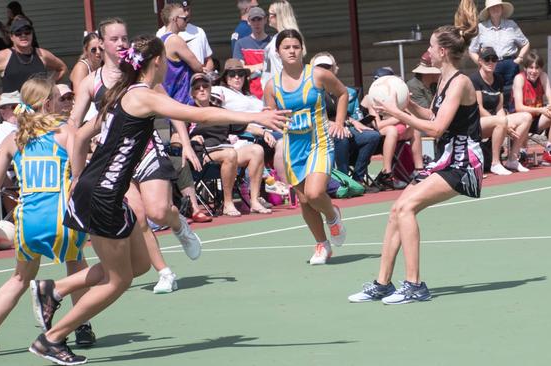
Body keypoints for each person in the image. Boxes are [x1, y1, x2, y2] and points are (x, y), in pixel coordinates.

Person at [27, 34, 287, 365]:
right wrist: (255, 118)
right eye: (169, 60)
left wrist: (80, 178)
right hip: (104, 194)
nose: (170, 66)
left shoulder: (119, 95)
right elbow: (200, 115)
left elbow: (79, 137)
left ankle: (54, 290)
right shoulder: (141, 97)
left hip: (102, 190)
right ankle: (51, 339)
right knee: (118, 281)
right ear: (157, 62)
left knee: (138, 266)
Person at [0, 76, 96, 359]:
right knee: (76, 265)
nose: (63, 103)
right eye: (58, 99)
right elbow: (79, 180)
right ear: (48, 103)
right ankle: (81, 326)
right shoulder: (67, 133)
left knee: (19, 279)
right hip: (62, 218)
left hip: (28, 222)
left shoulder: (14, 139)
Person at [348, 0, 483, 305]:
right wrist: (409, 104)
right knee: (396, 210)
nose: (428, 51)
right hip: (448, 158)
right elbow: (433, 116)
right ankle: (382, 284)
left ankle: (414, 285)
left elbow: (434, 130)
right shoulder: (444, 81)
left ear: (444, 51)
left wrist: (397, 111)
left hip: (464, 163)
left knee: (407, 209)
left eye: (432, 46)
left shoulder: (461, 82)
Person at [69, 18, 202, 295]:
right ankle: (164, 272)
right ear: (101, 43)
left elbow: (173, 108)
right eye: (114, 39)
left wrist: (185, 143)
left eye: (124, 38)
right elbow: (74, 125)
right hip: (116, 161)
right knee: (139, 216)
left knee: (158, 211)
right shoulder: (91, 82)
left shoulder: (141, 74)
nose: (121, 43)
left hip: (147, 150)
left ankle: (179, 224)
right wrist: (75, 165)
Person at [263, 29, 347, 265]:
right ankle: (322, 245)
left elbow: (342, 94)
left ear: (302, 49)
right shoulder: (272, 86)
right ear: (278, 52)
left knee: (314, 193)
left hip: (319, 142)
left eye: (295, 47)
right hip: (293, 147)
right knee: (304, 200)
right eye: (286, 47)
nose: (291, 51)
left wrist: (339, 122)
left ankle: (332, 216)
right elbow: (270, 114)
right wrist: (267, 124)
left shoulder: (318, 75)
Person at [190, 72, 272, 216]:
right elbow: (176, 137)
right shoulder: (187, 112)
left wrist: (263, 132)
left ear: (210, 89)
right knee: (230, 153)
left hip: (227, 152)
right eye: (197, 88)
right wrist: (190, 140)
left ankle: (254, 201)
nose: (202, 89)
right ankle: (228, 203)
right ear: (192, 93)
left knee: (257, 150)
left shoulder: (221, 112)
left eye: (205, 86)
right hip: (202, 156)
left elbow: (244, 126)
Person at [311, 53, 380, 192]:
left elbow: (343, 113)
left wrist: (353, 121)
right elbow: (311, 115)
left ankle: (358, 179)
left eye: (327, 67)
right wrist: (337, 125)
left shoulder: (337, 88)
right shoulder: (312, 90)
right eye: (320, 67)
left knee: (373, 136)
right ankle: (344, 180)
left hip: (342, 125)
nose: (324, 70)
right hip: (320, 130)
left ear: (334, 69)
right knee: (340, 136)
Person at [470, 47, 532, 174]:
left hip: (496, 121)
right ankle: (495, 163)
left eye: (494, 59)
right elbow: (479, 107)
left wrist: (505, 124)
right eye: (487, 59)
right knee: (502, 121)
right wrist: (503, 123)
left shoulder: (498, 79)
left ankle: (512, 159)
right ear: (480, 61)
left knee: (527, 117)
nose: (491, 62)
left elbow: (499, 107)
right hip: (477, 123)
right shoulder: (475, 79)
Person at [365, 67, 423, 190]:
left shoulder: (399, 95)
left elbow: (412, 117)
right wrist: (398, 117)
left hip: (398, 130)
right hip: (380, 133)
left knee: (415, 128)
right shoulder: (372, 98)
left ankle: (419, 169)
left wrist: (403, 112)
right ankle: (387, 172)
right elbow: (378, 125)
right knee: (391, 129)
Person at [0, 16, 67, 94]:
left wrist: (48, 85)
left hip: (40, 107)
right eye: (18, 33)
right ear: (11, 37)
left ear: (32, 34)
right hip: (14, 108)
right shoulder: (3, 56)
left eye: (27, 32)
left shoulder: (42, 54)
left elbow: (62, 68)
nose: (23, 35)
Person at [468, 0, 529, 107]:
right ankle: (497, 119)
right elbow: (472, 50)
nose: (495, 9)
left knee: (512, 94)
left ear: (502, 9)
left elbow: (525, 43)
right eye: (492, 7)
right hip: (491, 64)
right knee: (493, 95)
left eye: (498, 6)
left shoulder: (511, 25)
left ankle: (513, 118)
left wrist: (519, 58)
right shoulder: (481, 27)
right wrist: (481, 63)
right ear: (488, 11)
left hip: (510, 63)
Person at [511, 51, 551, 166]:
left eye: (537, 68)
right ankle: (522, 154)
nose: (534, 71)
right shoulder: (519, 79)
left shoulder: (543, 76)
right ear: (525, 68)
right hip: (519, 121)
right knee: (526, 117)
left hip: (536, 119)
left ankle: (549, 151)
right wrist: (541, 110)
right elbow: (519, 107)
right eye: (531, 67)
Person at [160, 2, 205, 104]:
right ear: (175, 19)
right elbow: (198, 67)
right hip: (182, 99)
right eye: (184, 19)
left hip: (171, 99)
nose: (187, 21)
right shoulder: (175, 40)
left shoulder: (162, 40)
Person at [157, 0, 214, 71]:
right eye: (184, 17)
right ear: (175, 19)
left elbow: (208, 60)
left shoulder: (199, 31)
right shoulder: (173, 38)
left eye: (188, 9)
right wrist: (201, 70)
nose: (186, 14)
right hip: (181, 82)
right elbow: (197, 67)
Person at [261, 0, 303, 90]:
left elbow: (291, 66)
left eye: (270, 14)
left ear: (279, 15)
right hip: (271, 90)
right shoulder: (277, 37)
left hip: (282, 90)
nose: (268, 17)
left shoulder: (289, 37)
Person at [233, 6, 271, 98]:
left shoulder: (273, 42)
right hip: (248, 94)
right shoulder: (241, 43)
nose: (256, 23)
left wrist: (250, 68)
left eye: (259, 19)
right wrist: (262, 66)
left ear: (265, 20)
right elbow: (238, 70)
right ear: (249, 22)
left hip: (270, 92)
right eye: (253, 20)